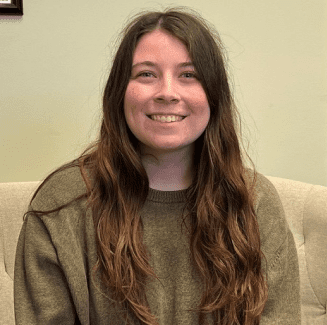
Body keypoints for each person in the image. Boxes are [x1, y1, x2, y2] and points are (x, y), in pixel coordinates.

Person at [14, 6, 301, 325]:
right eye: (146, 74)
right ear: (120, 92)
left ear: (214, 94)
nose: (167, 92)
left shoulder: (256, 202)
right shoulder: (61, 205)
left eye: (189, 75)